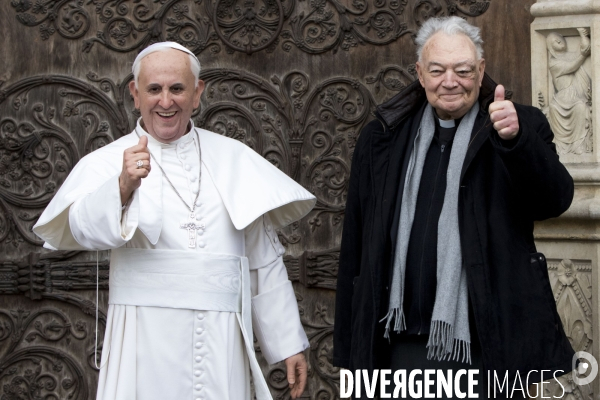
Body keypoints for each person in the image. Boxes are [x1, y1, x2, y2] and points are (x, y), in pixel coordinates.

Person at [33, 41, 316, 400]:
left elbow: (262, 260)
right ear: (135, 94)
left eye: (177, 89)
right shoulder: (107, 162)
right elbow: (75, 227)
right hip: (143, 343)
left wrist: (288, 342)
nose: (165, 102)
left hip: (219, 343)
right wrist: (121, 189)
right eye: (154, 89)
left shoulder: (233, 159)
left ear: (197, 93)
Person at [333, 17, 575, 398]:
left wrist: (517, 142)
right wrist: (350, 352)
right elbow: (357, 244)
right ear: (419, 73)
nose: (450, 81)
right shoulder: (384, 135)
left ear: (480, 71)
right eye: (437, 70)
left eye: (462, 70)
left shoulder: (516, 124)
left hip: (483, 342)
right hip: (398, 342)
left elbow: (554, 201)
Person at [546, 28, 592, 155]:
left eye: (561, 39)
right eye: (556, 41)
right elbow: (572, 66)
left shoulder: (570, 55)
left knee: (581, 107)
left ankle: (578, 144)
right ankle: (562, 147)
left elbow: (585, 47)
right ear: (550, 46)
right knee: (553, 109)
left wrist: (583, 35)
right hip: (561, 98)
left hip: (575, 96)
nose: (561, 41)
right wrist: (583, 55)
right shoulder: (553, 64)